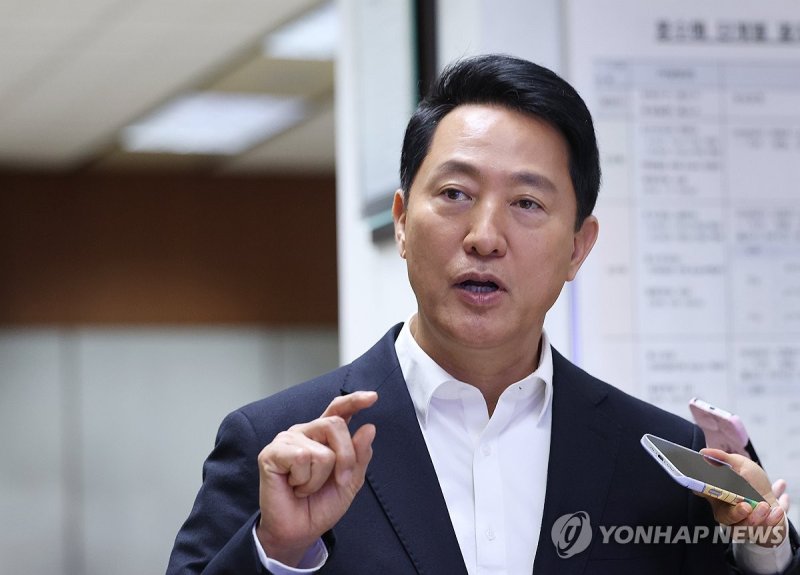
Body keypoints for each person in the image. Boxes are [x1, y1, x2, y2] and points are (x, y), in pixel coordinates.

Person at [167, 54, 799, 574]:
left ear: (578, 248)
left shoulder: (663, 462)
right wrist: (277, 551)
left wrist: (761, 549)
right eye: (455, 193)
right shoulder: (279, 444)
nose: (485, 236)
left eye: (527, 203)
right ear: (401, 221)